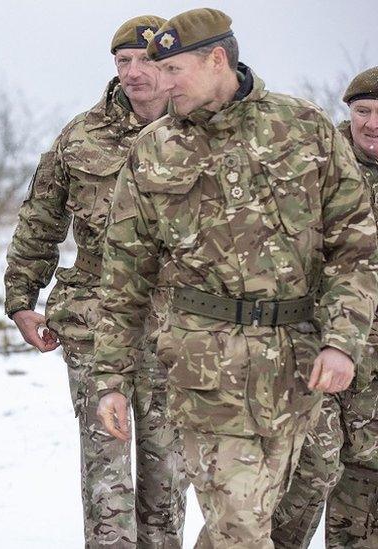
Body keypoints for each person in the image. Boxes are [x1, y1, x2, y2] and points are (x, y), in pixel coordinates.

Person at [91, 8, 378, 548]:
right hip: (207, 367)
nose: (161, 83)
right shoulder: (155, 150)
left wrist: (342, 342)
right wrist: (110, 376)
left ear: (217, 59)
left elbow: (356, 249)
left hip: (298, 365)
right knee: (240, 525)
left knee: (288, 497)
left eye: (174, 70)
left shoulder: (304, 129)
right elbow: (124, 276)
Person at [4, 15, 187, 547]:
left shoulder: (200, 131)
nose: (133, 72)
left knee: (166, 476)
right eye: (123, 62)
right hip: (94, 321)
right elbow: (40, 220)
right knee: (106, 475)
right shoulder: (82, 136)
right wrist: (21, 300)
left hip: (176, 328)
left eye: (146, 60)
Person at [273, 66, 378, 549]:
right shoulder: (317, 164)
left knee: (366, 473)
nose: (372, 123)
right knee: (314, 464)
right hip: (317, 341)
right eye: (363, 111)